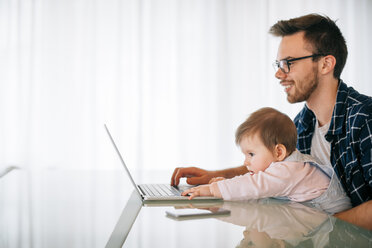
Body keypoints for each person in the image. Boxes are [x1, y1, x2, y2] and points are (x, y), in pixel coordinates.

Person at [171, 14, 372, 229]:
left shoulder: (364, 118)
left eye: (289, 63)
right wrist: (215, 176)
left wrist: (321, 232)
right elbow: (273, 170)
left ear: (325, 64)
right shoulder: (304, 123)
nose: (278, 73)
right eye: (278, 63)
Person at [181, 107, 351, 214]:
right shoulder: (288, 166)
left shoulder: (289, 170)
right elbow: (256, 186)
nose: (246, 162)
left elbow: (253, 186)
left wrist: (212, 190)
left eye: (251, 154)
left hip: (334, 230)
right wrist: (224, 185)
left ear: (278, 152)